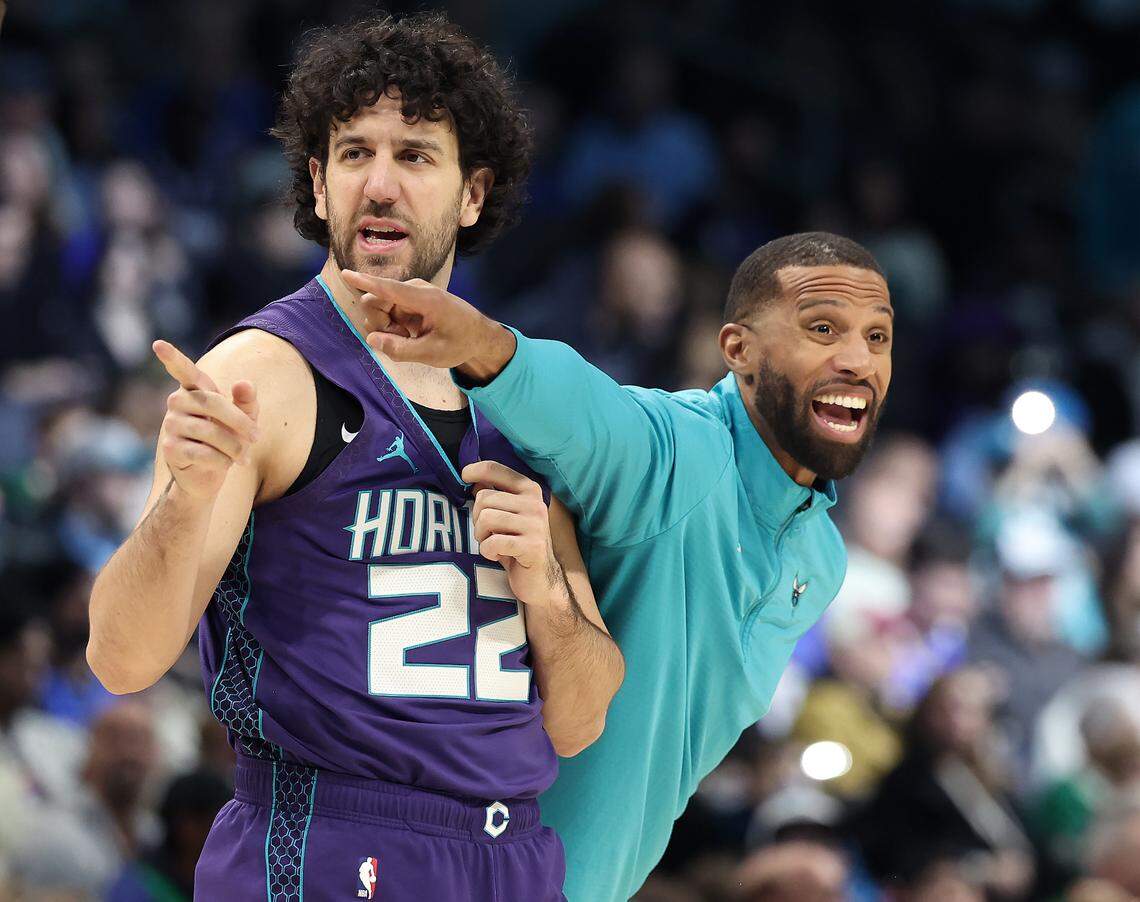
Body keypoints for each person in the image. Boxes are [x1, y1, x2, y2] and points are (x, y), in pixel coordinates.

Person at [86, 13, 623, 900]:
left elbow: (581, 719)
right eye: (353, 154)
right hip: (335, 839)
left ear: (473, 193)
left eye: (415, 156)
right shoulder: (265, 376)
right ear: (318, 185)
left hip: (513, 854)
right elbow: (122, 660)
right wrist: (184, 498)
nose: (380, 184)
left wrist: (546, 594)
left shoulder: (521, 401)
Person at [342, 230, 895, 900]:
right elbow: (595, 415)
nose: (856, 360)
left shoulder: (823, 558)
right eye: (823, 328)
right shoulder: (681, 453)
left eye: (876, 337)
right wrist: (484, 344)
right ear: (738, 350)